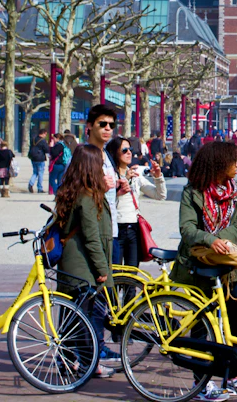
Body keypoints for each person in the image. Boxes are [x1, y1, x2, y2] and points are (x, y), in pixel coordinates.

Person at [168, 142, 237, 398]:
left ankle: (231, 375)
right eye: (234, 160)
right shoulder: (193, 192)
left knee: (235, 322)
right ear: (219, 163)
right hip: (198, 268)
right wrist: (211, 241)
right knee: (201, 327)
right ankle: (202, 384)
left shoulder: (236, 194)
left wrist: (222, 240)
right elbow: (187, 229)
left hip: (228, 268)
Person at [53, 143, 118, 379]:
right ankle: (91, 364)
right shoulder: (88, 197)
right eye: (100, 166)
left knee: (72, 318)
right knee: (84, 320)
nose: (103, 170)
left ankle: (69, 361)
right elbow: (92, 238)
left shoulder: (70, 190)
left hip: (70, 264)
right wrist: (103, 270)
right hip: (82, 266)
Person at [107, 137, 166, 269]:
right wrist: (122, 183)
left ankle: (131, 290)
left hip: (133, 229)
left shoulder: (135, 176)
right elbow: (105, 201)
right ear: (114, 152)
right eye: (124, 150)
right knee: (115, 274)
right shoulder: (110, 176)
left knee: (132, 276)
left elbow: (160, 195)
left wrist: (158, 177)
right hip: (115, 230)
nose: (129, 153)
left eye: (130, 149)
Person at [85, 105, 122, 265]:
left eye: (111, 125)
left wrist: (118, 190)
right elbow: (71, 196)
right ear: (89, 126)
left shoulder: (107, 156)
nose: (107, 128)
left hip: (111, 231)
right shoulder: (83, 156)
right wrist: (100, 189)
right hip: (94, 234)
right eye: (102, 124)